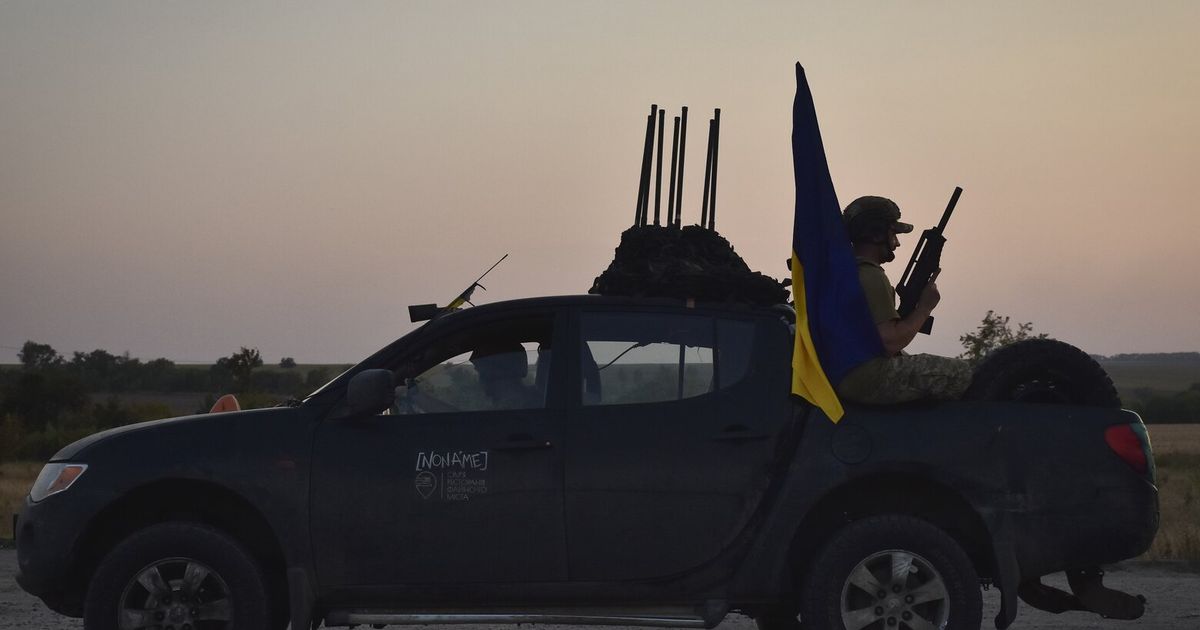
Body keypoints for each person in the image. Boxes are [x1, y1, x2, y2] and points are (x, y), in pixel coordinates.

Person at [837, 195, 972, 404]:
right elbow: (890, 341)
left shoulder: (847, 271)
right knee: (965, 374)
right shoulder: (870, 276)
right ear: (876, 233)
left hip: (848, 373)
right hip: (866, 378)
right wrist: (924, 308)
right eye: (893, 233)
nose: (897, 242)